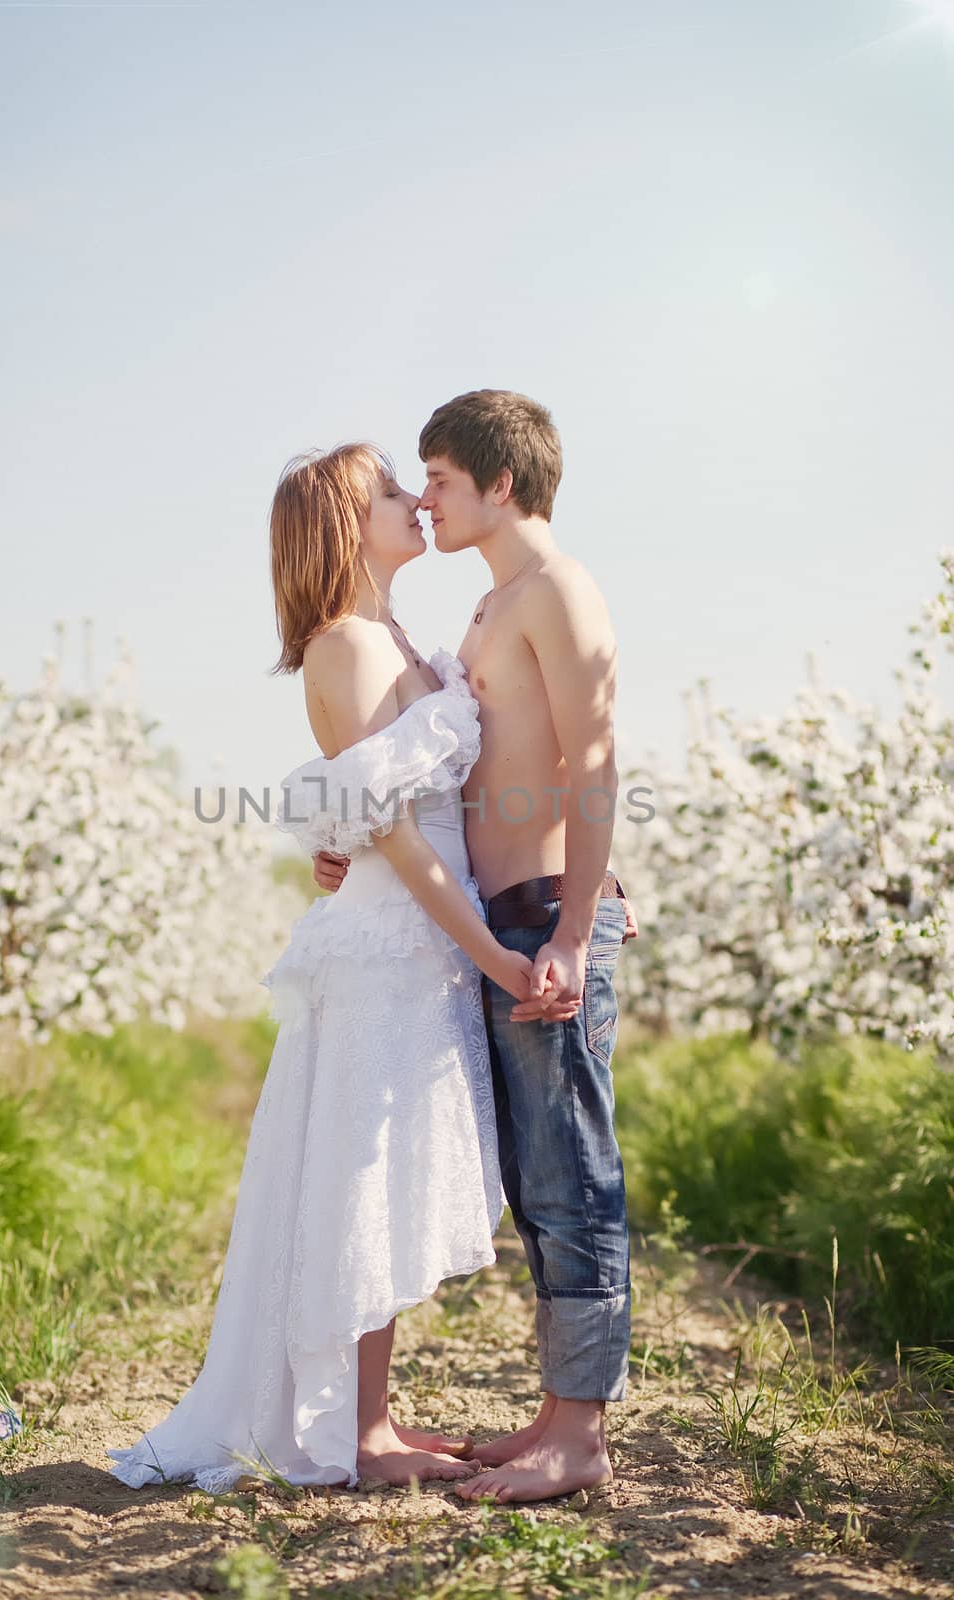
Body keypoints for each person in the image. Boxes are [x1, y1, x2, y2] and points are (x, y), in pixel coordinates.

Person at [107, 442, 555, 1494]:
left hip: (418, 939)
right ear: (343, 526)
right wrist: (487, 947)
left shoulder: (395, 636)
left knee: (386, 1175)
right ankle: (356, 1433)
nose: (413, 502)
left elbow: (366, 800)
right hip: (394, 944)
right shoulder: (343, 646)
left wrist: (346, 841)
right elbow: (392, 828)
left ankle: (370, 1418)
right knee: (361, 1174)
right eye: (390, 493)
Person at [313, 391, 636, 1504]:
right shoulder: (493, 606)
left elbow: (592, 765)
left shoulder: (557, 589)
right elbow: (452, 772)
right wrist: (348, 841)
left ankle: (578, 1435)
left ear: (499, 484)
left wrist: (578, 926)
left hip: (549, 917)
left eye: (438, 478)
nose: (427, 498)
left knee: (572, 1175)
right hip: (505, 919)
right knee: (536, 1177)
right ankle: (556, 1416)